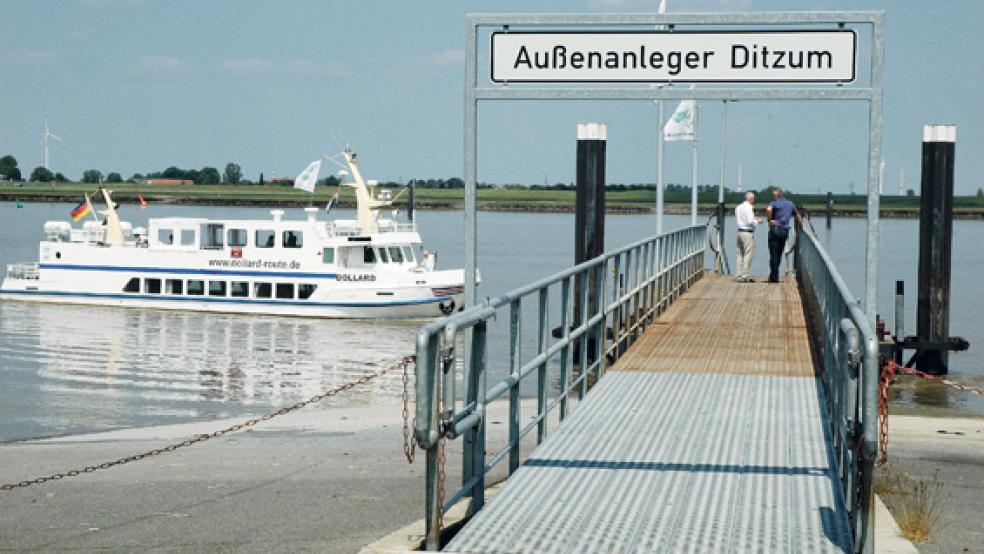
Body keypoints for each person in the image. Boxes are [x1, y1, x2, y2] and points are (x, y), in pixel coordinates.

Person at [765, 187, 803, 283]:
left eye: (773, 195)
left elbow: (768, 210)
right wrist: (802, 226)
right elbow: (798, 215)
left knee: (773, 254)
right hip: (784, 231)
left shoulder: (774, 202)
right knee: (779, 253)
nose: (772, 197)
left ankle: (774, 276)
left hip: (775, 230)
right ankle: (774, 275)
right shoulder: (790, 203)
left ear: (777, 196)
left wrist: (769, 220)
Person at [734, 191, 761, 282]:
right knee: (748, 253)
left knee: (739, 254)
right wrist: (758, 221)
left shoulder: (738, 207)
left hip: (739, 232)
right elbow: (750, 221)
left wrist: (753, 219)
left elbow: (741, 219)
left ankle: (738, 274)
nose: (754, 200)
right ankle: (745, 275)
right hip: (747, 233)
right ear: (751, 199)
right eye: (754, 198)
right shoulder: (749, 207)